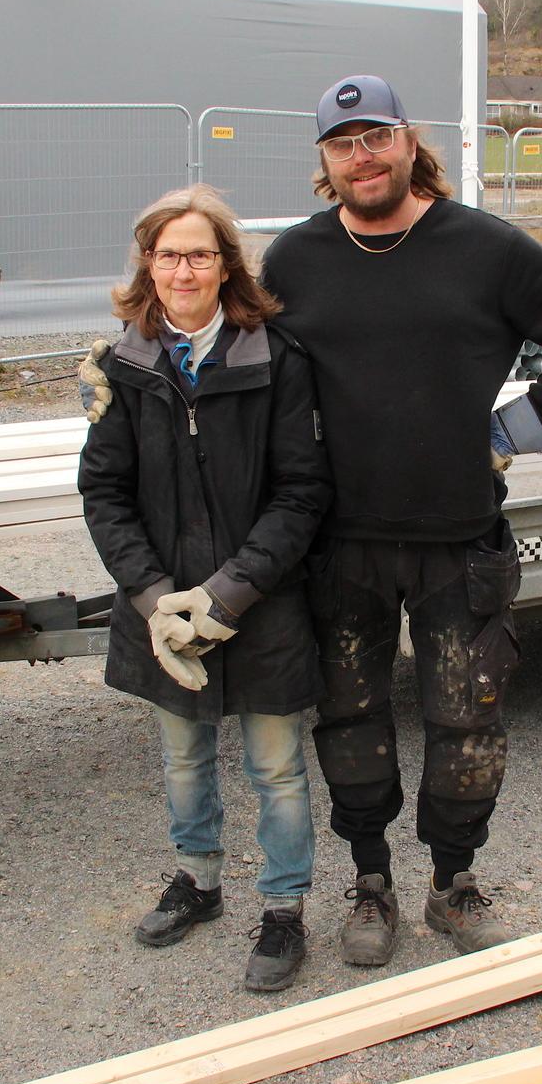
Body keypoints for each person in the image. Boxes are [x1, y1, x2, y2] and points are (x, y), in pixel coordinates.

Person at [259, 75, 542, 964]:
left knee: (468, 720)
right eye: (342, 143)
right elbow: (234, 351)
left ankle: (453, 881)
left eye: (375, 135)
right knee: (350, 718)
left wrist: (529, 421)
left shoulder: (485, 248)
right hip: (339, 544)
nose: (362, 156)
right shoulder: (293, 261)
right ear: (324, 160)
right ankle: (372, 882)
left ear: (409, 140)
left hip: (459, 538)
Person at [77, 184, 332, 993]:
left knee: (277, 766)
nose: (183, 270)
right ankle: (199, 881)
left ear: (227, 266)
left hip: (261, 603)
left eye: (199, 254)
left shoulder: (276, 360)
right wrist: (155, 599)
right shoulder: (122, 365)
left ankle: (284, 909)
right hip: (162, 607)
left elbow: (303, 493)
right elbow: (104, 493)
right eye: (167, 254)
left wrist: (227, 597)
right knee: (183, 760)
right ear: (147, 266)